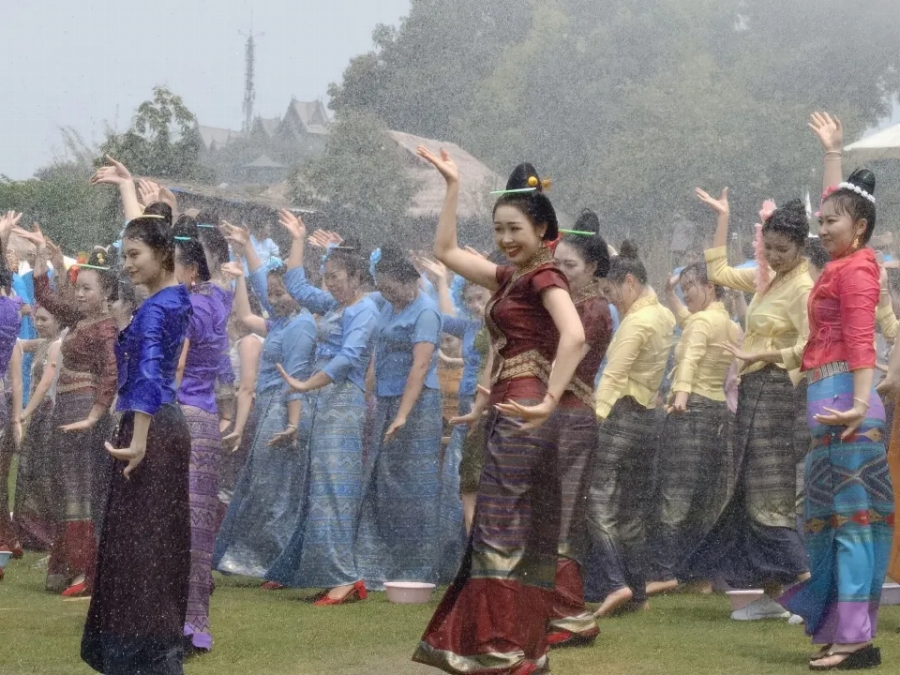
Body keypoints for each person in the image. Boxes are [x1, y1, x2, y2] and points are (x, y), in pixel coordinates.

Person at [414, 147, 585, 675]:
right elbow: (444, 249)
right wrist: (451, 187)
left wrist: (550, 400)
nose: (506, 239)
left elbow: (574, 336)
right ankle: (523, 646)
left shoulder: (543, 277)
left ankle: (503, 646)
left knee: (498, 530)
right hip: (514, 408)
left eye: (515, 229)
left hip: (526, 411)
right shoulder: (512, 277)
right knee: (519, 530)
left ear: (541, 230)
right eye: (499, 230)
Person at [778, 113, 893, 670]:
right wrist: (832, 153)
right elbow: (839, 197)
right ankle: (842, 629)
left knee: (851, 524)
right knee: (827, 523)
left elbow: (860, 339)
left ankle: (854, 639)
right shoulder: (841, 265)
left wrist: (857, 400)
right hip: (832, 402)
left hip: (849, 403)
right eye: (820, 221)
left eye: (832, 222)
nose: (822, 228)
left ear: (861, 229)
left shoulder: (858, 271)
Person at [683, 186, 813, 621]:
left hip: (778, 394)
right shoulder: (768, 278)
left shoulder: (803, 287)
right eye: (768, 247)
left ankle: (805, 586)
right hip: (755, 392)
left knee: (770, 496)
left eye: (782, 250)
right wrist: (723, 215)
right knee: (747, 493)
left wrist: (766, 356)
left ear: (800, 247)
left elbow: (810, 346)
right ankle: (772, 596)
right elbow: (717, 271)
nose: (773, 256)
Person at [81, 210, 194, 675]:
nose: (126, 264)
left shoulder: (154, 309)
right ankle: (156, 656)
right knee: (155, 549)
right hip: (164, 426)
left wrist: (138, 439)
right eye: (124, 254)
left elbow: (147, 374)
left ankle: (139, 661)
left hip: (151, 430)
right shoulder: (176, 297)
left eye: (134, 255)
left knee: (139, 552)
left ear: (162, 253)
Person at [263, 210, 379, 605]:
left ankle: (346, 577)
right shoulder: (333, 304)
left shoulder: (366, 309)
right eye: (326, 276)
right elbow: (296, 282)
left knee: (336, 488)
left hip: (344, 400)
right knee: (322, 487)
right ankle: (335, 572)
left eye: (334, 277)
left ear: (356, 277)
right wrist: (298, 238)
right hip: (324, 401)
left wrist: (306, 383)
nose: (327, 283)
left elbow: (349, 358)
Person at [213, 225, 316, 581]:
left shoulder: (301, 325)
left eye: (280, 291)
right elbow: (245, 316)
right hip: (270, 408)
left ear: (300, 292)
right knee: (263, 485)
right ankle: (262, 558)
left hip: (285, 409)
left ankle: (275, 561)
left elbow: (298, 380)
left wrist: (292, 424)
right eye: (270, 293)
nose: (273, 296)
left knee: (276, 489)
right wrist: (243, 271)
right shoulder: (281, 322)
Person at [24, 227, 119, 597]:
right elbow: (46, 295)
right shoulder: (79, 320)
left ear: (106, 292)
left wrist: (96, 414)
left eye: (87, 289)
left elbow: (111, 372)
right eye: (78, 287)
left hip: (83, 409)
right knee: (65, 486)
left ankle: (86, 570)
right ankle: (67, 565)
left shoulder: (106, 328)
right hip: (66, 407)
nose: (79, 294)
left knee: (81, 487)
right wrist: (39, 259)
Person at [588, 242, 675, 617]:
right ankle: (637, 593)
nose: (612, 301)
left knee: (598, 501)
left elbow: (612, 376)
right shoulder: (665, 316)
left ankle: (614, 583)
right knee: (633, 510)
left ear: (629, 282)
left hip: (620, 416)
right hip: (649, 420)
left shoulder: (636, 322)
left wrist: (595, 417)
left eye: (611, 293)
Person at [354, 245, 445, 590]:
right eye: (383, 288)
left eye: (391, 287)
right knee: (385, 483)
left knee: (413, 488)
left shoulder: (425, 313)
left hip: (418, 407)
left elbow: (419, 368)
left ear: (411, 282)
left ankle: (418, 569)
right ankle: (381, 566)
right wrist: (368, 392)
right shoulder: (391, 307)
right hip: (388, 401)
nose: (387, 293)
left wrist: (403, 415)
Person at [647, 263, 740, 594]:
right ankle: (699, 576)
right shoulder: (726, 323)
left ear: (710, 287)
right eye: (683, 287)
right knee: (706, 496)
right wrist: (671, 294)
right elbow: (690, 323)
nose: (686, 292)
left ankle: (665, 573)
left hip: (691, 409)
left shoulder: (702, 322)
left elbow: (688, 358)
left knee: (675, 494)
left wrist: (681, 396)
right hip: (718, 415)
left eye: (690, 286)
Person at [547, 221, 614, 646]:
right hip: (558, 413)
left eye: (569, 265)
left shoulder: (593, 310)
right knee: (551, 513)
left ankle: (572, 615)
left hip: (572, 416)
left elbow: (564, 364)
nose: (560, 271)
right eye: (556, 263)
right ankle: (557, 611)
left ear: (591, 268)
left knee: (564, 515)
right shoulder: (570, 304)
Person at [172, 217, 230, 653]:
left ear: (191, 269)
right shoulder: (218, 299)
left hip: (180, 419)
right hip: (206, 420)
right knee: (197, 527)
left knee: (172, 523)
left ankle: (175, 622)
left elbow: (174, 369)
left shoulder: (188, 306)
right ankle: (195, 621)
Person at [12, 305, 63, 551]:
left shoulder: (61, 344)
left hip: (48, 414)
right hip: (37, 415)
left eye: (44, 319)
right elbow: (16, 342)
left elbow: (45, 385)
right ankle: (29, 533)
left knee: (43, 476)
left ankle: (46, 535)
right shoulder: (44, 342)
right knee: (27, 474)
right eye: (36, 319)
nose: (39, 323)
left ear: (58, 321)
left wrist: (22, 414)